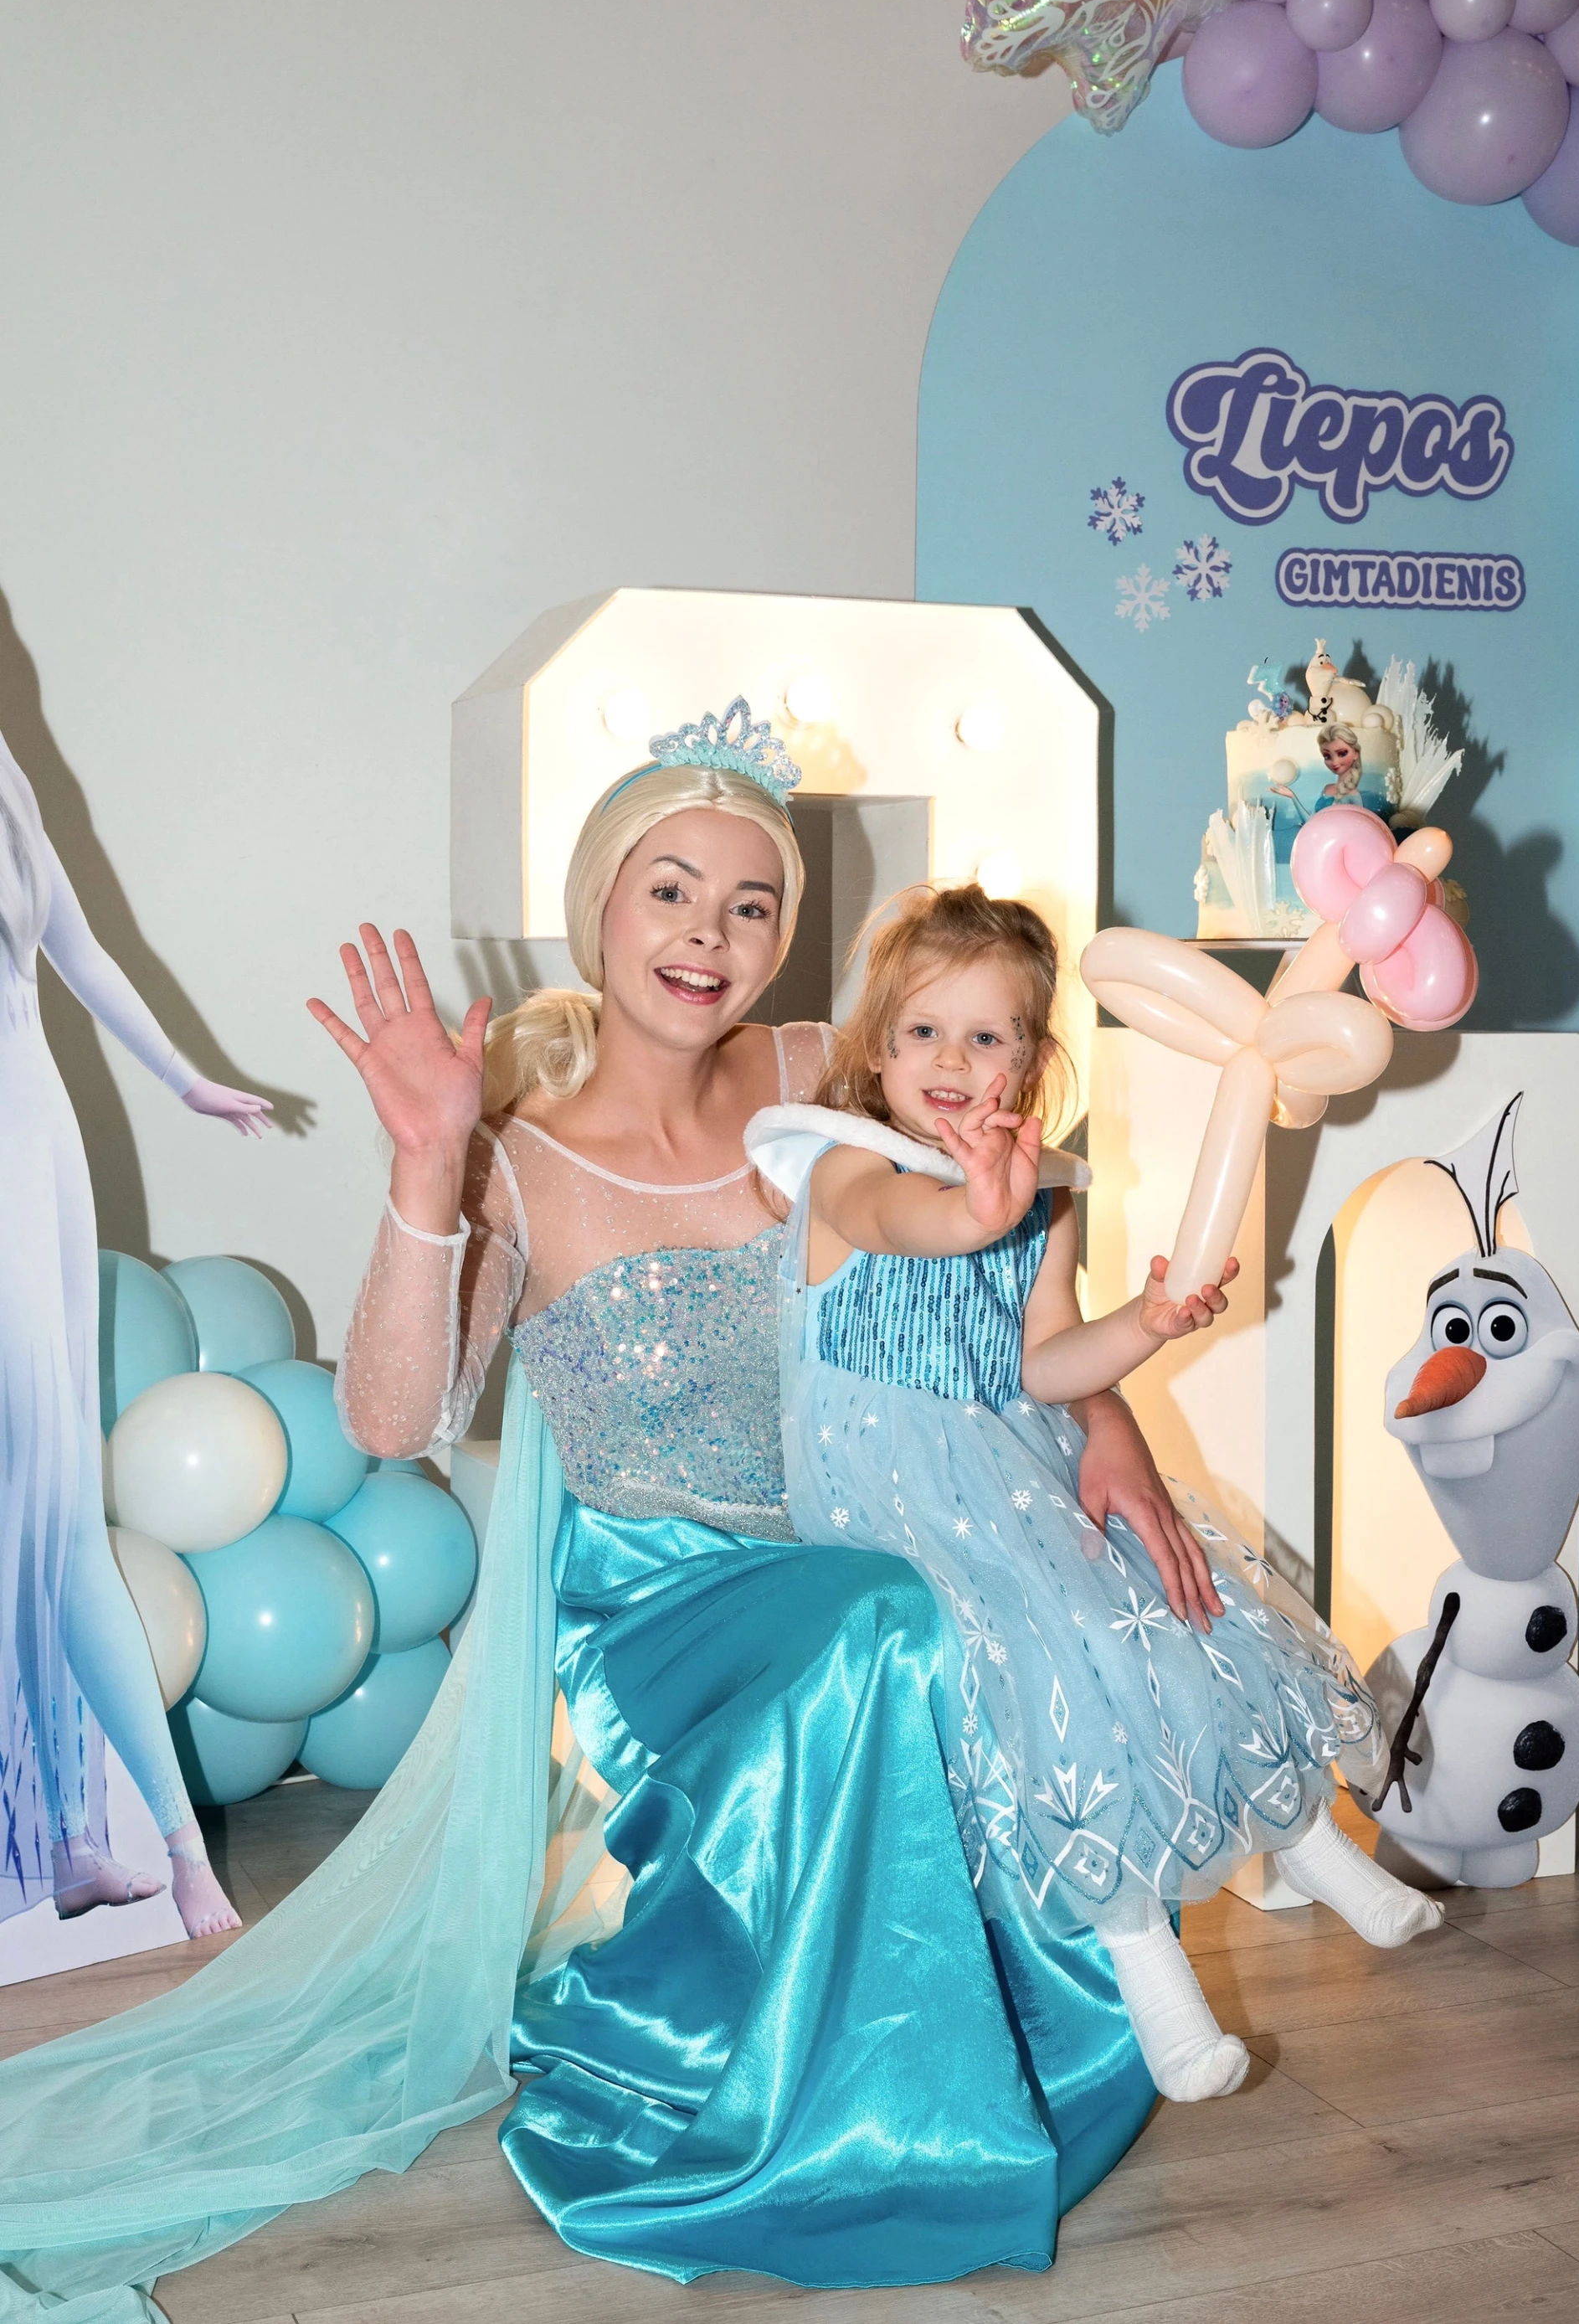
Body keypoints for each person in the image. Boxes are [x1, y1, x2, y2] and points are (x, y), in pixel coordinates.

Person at [0, 704, 1172, 2317]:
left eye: (750, 904)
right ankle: (849, 2121)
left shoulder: (815, 1073)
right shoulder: (520, 1156)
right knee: (887, 1622)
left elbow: (994, 1263)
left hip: (858, 1528)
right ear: (600, 905)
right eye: (670, 891)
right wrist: (428, 1163)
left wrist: (1112, 1425)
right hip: (656, 1600)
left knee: (917, 1605)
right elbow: (390, 1423)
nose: (708, 934)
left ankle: (942, 2063)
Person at [758, 884, 1442, 2108]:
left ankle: (1311, 1842)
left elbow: (1046, 1361)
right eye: (924, 1033)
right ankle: (1151, 1979)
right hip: (890, 1484)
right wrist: (979, 1203)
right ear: (877, 1048)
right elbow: (913, 1224)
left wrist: (1150, 1320)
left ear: (1032, 1058)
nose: (953, 1062)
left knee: (1184, 1600)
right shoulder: (850, 1164)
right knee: (1061, 1644)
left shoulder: (1049, 1191)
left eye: (988, 1036)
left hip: (1005, 1453)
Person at [0, 729, 265, 1945]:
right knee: (37, 1507)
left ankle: (96, 1840)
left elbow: (79, 947)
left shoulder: (8, 774)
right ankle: (102, 1841)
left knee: (55, 1510)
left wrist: (181, 1078)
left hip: (36, 1140)